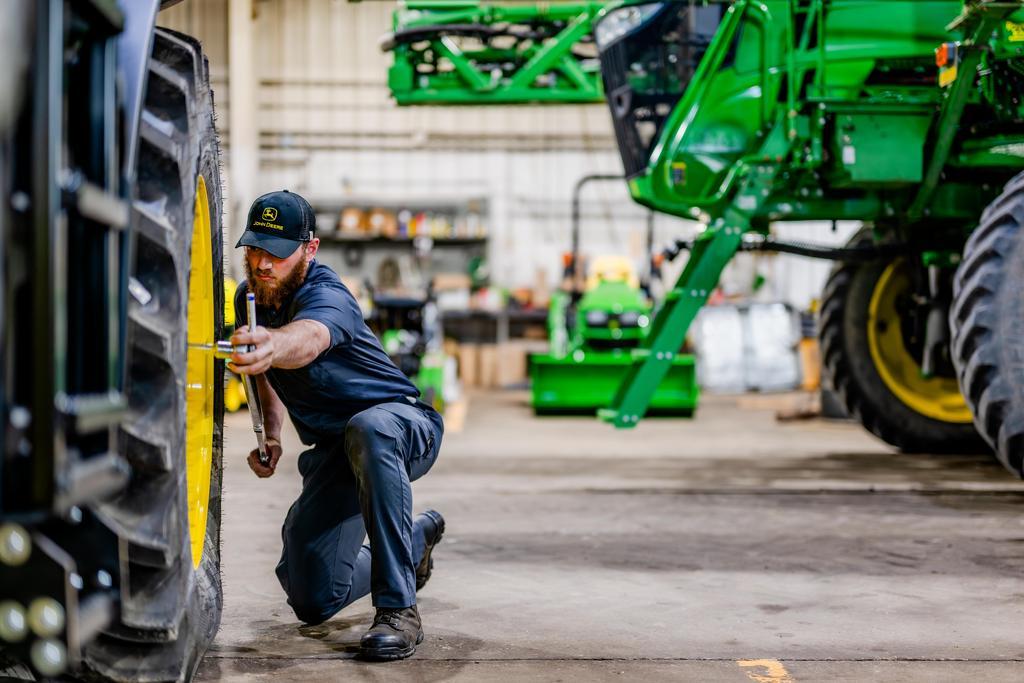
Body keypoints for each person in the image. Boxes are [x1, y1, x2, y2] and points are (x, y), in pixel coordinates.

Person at [228, 189, 445, 661]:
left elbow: (308, 338)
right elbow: (264, 372)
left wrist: (271, 344)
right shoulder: (250, 297)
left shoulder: (328, 294)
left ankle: (398, 610)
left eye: (277, 253)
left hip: (401, 426)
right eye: (256, 248)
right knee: (313, 599)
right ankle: (414, 541)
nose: (263, 264)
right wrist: (270, 433)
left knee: (369, 428)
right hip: (336, 450)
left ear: (310, 249)